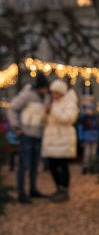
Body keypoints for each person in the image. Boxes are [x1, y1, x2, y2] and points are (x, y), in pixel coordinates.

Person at [7, 73, 49, 203]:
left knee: (34, 165)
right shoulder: (27, 95)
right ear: (39, 87)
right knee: (24, 165)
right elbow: (12, 108)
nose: (45, 90)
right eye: (44, 87)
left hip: (38, 135)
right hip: (26, 135)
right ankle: (21, 193)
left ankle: (33, 189)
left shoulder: (45, 98)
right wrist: (16, 127)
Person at [42, 80, 78, 203]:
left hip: (63, 139)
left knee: (62, 166)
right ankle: (58, 188)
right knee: (52, 166)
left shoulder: (70, 103)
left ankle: (64, 189)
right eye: (52, 93)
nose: (54, 95)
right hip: (52, 140)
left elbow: (68, 118)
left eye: (56, 93)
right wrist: (45, 112)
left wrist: (52, 110)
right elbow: (46, 121)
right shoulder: (54, 103)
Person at [77, 102, 99, 174]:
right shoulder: (83, 119)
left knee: (93, 153)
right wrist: (81, 139)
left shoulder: (94, 118)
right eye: (88, 109)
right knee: (87, 153)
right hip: (86, 138)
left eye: (90, 109)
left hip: (94, 137)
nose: (89, 111)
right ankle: (85, 167)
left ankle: (92, 167)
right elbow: (80, 129)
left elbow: (97, 128)